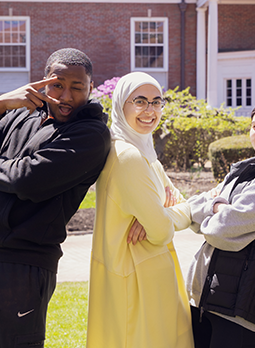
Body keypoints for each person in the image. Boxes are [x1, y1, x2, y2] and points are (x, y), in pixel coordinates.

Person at [0, 48, 111, 348]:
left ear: (91, 88)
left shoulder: (91, 134)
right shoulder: (21, 115)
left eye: (77, 87)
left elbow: (27, 179)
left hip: (19, 268)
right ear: (43, 81)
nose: (66, 97)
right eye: (58, 85)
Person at [86, 72, 194, 348]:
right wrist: (162, 217)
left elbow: (180, 205)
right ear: (121, 104)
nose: (150, 110)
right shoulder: (128, 156)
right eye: (140, 101)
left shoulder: (144, 153)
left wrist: (164, 214)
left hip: (144, 272)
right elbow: (160, 231)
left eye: (157, 102)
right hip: (138, 280)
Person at [186, 96, 255, 348]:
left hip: (241, 306)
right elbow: (191, 206)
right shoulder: (242, 171)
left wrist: (210, 212)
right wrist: (216, 205)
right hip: (204, 297)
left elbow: (219, 231)